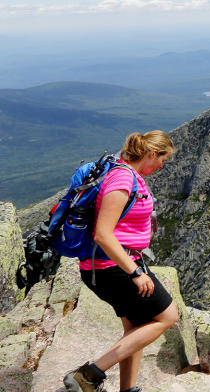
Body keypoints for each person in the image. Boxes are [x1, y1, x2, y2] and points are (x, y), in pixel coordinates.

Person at [64, 131, 178, 392]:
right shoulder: (122, 178)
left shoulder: (126, 173)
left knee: (136, 328)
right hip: (112, 267)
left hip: (115, 264)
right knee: (167, 316)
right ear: (151, 154)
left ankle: (127, 389)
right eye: (163, 159)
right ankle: (88, 375)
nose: (162, 165)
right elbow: (103, 234)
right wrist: (136, 272)